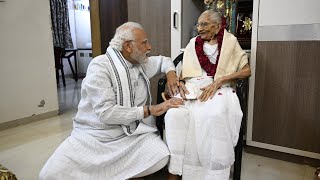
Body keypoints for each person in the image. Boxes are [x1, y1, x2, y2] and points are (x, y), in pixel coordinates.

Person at [39, 22, 184, 180]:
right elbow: (107, 113)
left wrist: (171, 75)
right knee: (50, 174)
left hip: (132, 134)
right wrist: (151, 110)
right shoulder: (100, 67)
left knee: (161, 156)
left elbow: (164, 61)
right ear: (128, 46)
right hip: (96, 136)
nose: (149, 47)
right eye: (144, 43)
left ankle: (124, 173)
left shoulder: (141, 63)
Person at [165, 10, 251, 180]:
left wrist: (220, 80)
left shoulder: (230, 42)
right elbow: (183, 73)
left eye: (203, 24)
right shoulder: (192, 43)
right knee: (174, 114)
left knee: (213, 114)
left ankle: (213, 172)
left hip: (221, 87)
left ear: (217, 26)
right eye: (198, 24)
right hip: (193, 86)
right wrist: (180, 82)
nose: (199, 28)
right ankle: (176, 169)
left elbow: (246, 70)